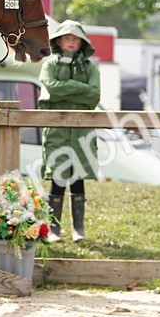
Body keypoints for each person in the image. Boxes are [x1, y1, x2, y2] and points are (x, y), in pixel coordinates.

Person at [39, 20, 101, 243]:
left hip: (82, 132)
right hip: (57, 131)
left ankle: (79, 230)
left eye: (76, 38)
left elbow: (94, 95)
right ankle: (54, 230)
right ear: (58, 40)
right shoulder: (50, 65)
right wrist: (80, 90)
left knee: (78, 179)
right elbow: (51, 90)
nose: (72, 41)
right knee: (57, 178)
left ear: (82, 42)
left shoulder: (90, 68)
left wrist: (66, 90)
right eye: (68, 37)